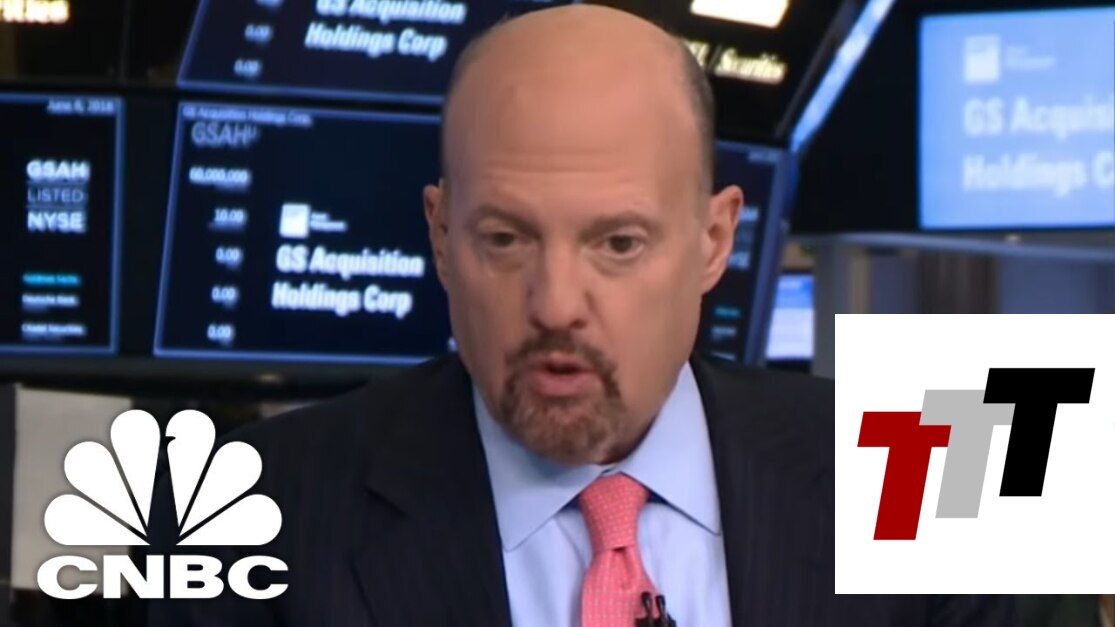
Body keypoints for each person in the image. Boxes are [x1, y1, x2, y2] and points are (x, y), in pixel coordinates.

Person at [147, 5, 1015, 625]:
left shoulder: (937, 467)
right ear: (441, 238)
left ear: (714, 240)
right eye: (505, 239)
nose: (556, 304)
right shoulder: (238, 513)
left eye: (618, 243)